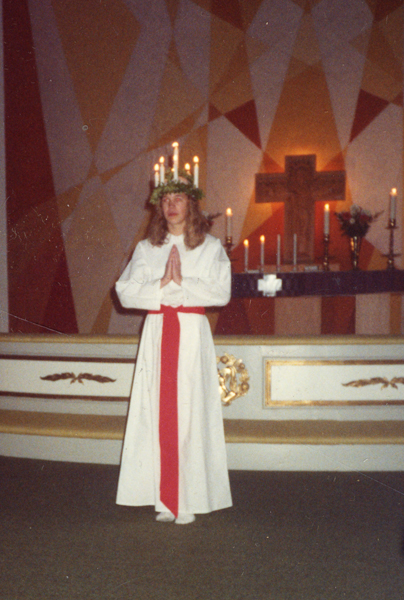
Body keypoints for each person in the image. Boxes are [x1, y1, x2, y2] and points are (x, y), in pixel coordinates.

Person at [115, 168, 232, 525]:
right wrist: (161, 285)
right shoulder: (147, 248)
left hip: (191, 334)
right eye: (165, 199)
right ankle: (163, 498)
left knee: (190, 410)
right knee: (156, 409)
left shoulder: (210, 247)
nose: (171, 205)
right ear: (158, 206)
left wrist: (180, 283)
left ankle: (189, 497)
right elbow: (125, 292)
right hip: (157, 332)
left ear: (191, 204)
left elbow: (221, 292)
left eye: (178, 198)